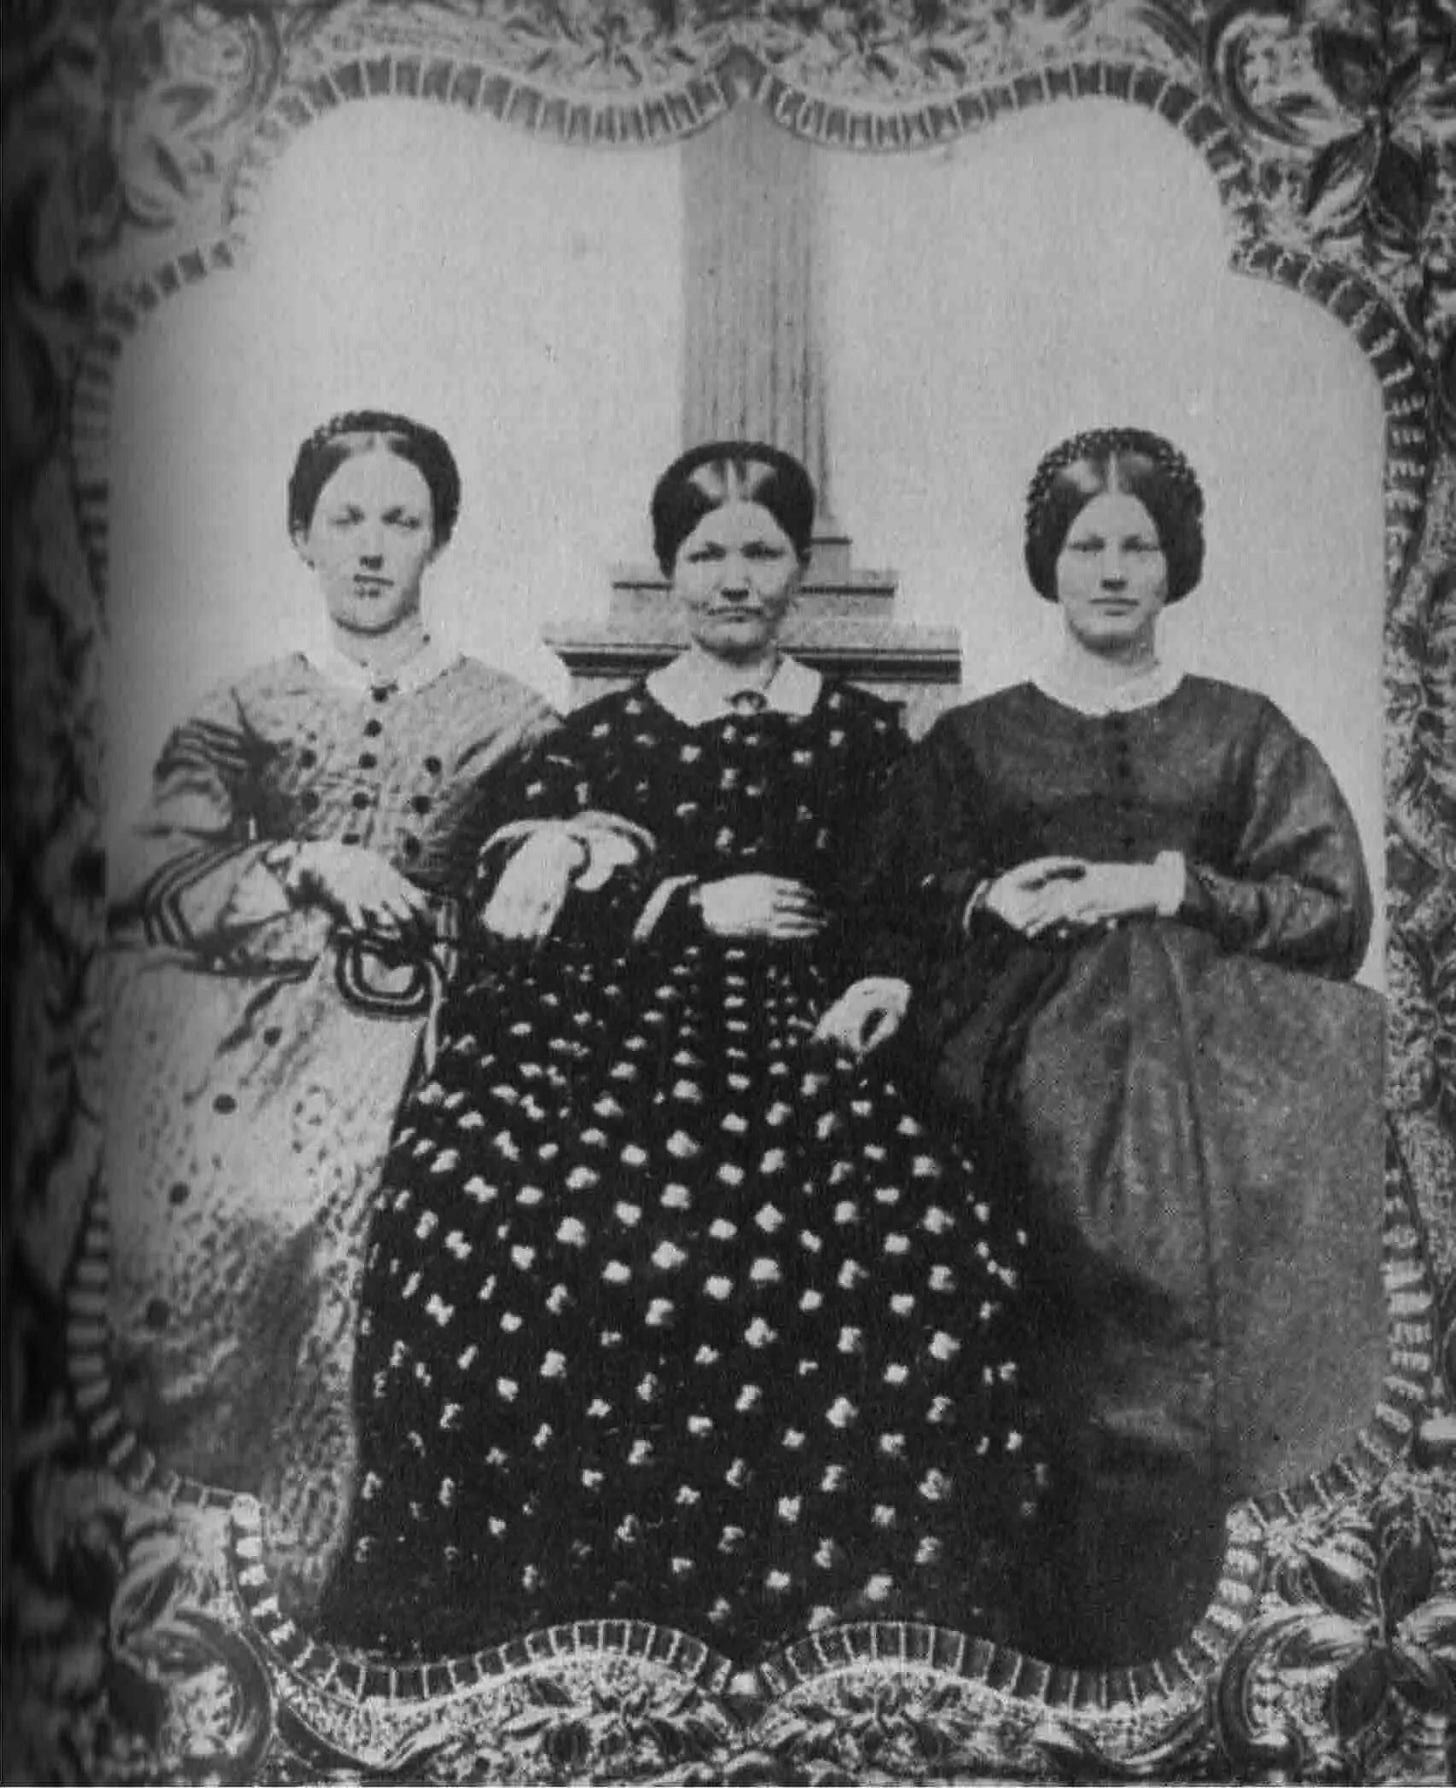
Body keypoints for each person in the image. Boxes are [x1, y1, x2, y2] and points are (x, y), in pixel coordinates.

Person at [319, 442, 1046, 1661]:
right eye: (705, 554)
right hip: (610, 1039)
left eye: (760, 551)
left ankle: (848, 1645)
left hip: (816, 1042)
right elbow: (512, 911)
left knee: (912, 1261)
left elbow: (918, 909)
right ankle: (557, 1633)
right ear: (669, 570)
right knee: (516, 1236)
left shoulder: (871, 741)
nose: (731, 579)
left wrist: (879, 979)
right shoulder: (603, 739)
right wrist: (677, 903)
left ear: (797, 570)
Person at [824, 427, 1387, 1663]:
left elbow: (1330, 910)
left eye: (1139, 545)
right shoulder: (975, 743)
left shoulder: (1242, 733)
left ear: (1176, 562)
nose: (1114, 570)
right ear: (1049, 562)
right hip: (1027, 1041)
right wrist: (988, 903)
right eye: (1088, 545)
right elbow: (884, 900)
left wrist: (1166, 884)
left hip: (1220, 1053)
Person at [88, 410, 559, 1605]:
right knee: (203, 1228)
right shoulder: (243, 706)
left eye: (400, 522)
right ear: (301, 535)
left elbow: (567, 827)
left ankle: (326, 1592)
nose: (370, 548)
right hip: (249, 1018)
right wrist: (302, 865)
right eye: (344, 520)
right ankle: (194, 1584)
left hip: (432, 1023)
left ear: (436, 541)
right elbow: (152, 874)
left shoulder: (507, 714)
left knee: (363, 1248)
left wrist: (550, 849)